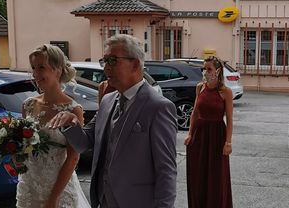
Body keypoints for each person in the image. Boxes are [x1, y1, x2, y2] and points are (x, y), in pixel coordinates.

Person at [49, 34, 178, 208]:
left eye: (112, 60)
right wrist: (70, 123)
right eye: (105, 61)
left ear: (135, 64)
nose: (106, 68)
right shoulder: (108, 101)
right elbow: (84, 143)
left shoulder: (158, 107)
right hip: (104, 199)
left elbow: (166, 170)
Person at [17, 44, 91, 208]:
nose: (35, 74)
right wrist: (17, 155)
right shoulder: (28, 105)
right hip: (29, 186)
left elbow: (73, 158)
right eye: (33, 68)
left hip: (58, 188)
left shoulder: (73, 109)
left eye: (41, 67)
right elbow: (25, 145)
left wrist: (53, 198)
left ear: (57, 70)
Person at [184, 55, 233, 208]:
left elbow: (230, 119)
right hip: (199, 134)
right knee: (198, 175)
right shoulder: (200, 87)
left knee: (216, 177)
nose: (205, 72)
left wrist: (228, 142)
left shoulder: (226, 92)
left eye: (209, 69)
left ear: (218, 71)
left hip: (217, 135)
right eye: (204, 69)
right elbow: (195, 112)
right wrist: (190, 134)